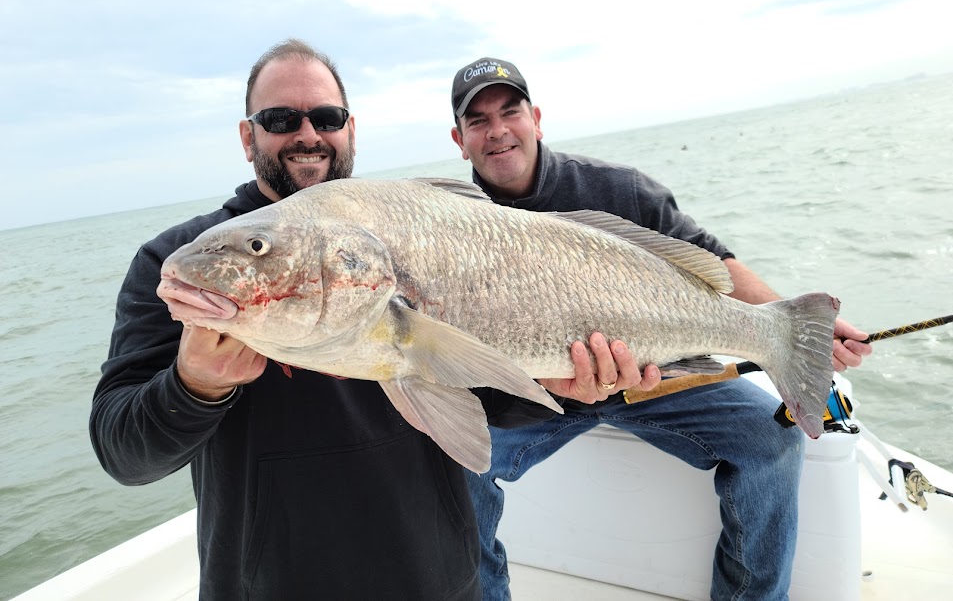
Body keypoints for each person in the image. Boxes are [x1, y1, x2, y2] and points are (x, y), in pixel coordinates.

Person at [92, 39, 634, 600]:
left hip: (442, 583)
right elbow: (123, 454)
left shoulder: (416, 233)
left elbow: (487, 402)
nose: (307, 134)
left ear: (350, 130)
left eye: (326, 118)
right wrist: (194, 387)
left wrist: (562, 388)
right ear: (248, 136)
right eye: (280, 119)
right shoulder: (184, 265)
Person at [448, 57, 873, 601]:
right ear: (460, 141)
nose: (498, 130)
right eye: (479, 121)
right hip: (532, 396)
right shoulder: (450, 222)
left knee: (772, 438)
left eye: (510, 112)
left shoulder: (619, 189)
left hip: (653, 380)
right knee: (454, 464)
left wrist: (792, 328)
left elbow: (713, 263)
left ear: (536, 119)